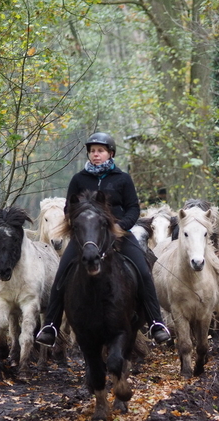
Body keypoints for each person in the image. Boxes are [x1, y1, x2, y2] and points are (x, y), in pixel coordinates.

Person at [35, 132, 171, 347]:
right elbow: (68, 208)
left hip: (117, 234)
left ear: (110, 153)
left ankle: (156, 323)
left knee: (144, 271)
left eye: (100, 151)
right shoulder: (79, 179)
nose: (95, 155)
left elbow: (133, 208)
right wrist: (79, 224)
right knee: (62, 273)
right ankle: (50, 325)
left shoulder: (122, 178)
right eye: (92, 151)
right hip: (86, 237)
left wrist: (120, 226)